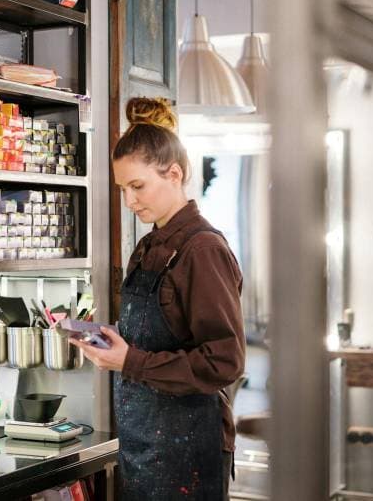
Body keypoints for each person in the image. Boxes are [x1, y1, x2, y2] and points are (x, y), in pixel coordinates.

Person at [70, 97, 246, 500]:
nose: (129, 201)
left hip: (189, 449)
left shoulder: (203, 250)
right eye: (123, 189)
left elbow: (225, 361)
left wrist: (129, 361)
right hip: (144, 445)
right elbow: (157, 338)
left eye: (138, 186)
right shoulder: (148, 247)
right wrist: (110, 341)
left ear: (175, 174)